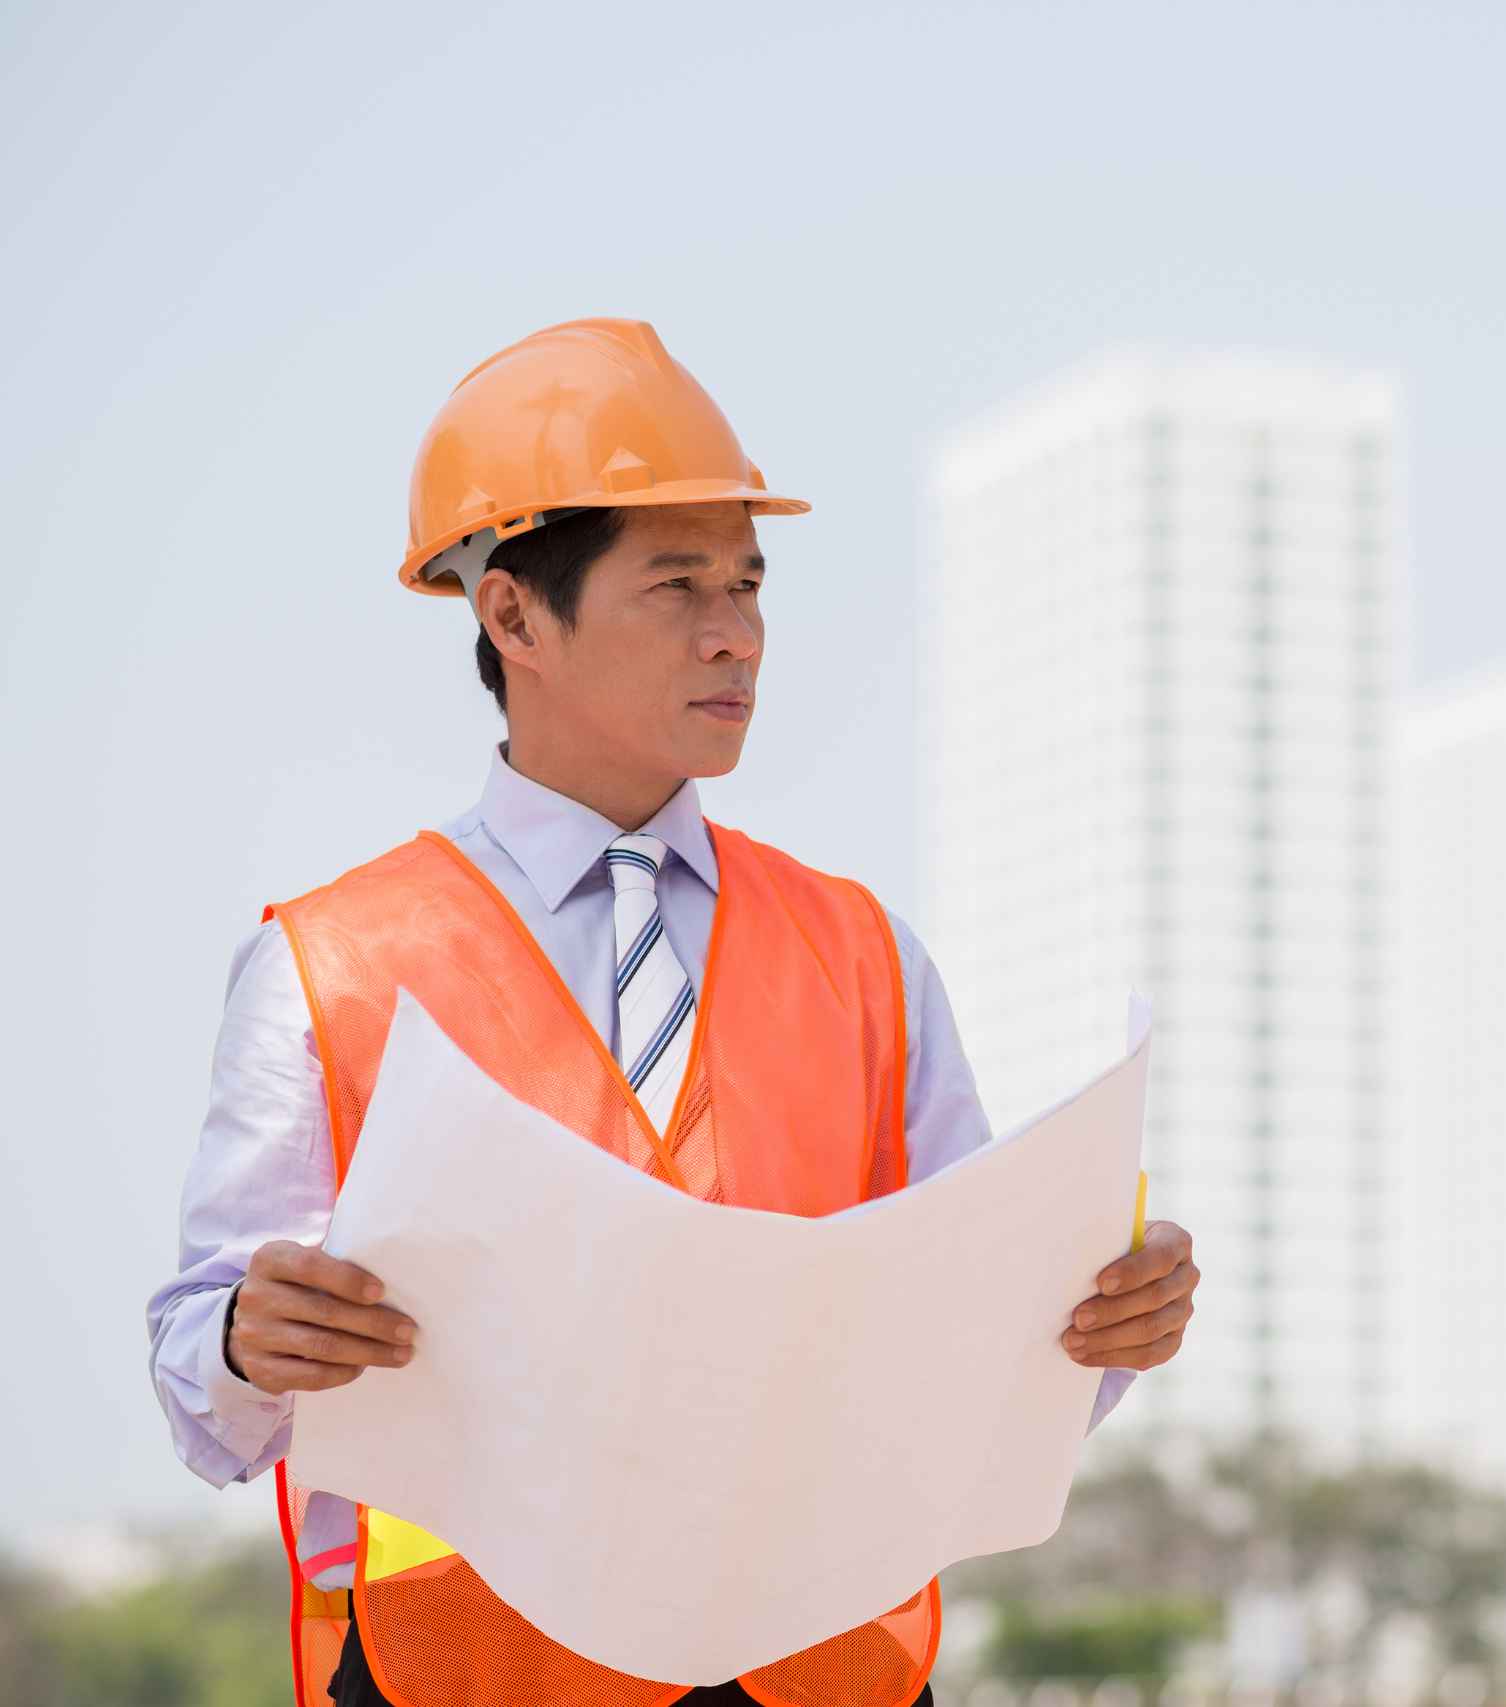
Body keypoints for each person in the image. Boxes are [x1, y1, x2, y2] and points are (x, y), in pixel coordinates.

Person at [143, 317, 1202, 1707]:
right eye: (679, 586)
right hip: (470, 1678)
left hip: (826, 1676)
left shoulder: (865, 952)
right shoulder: (331, 964)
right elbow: (203, 1387)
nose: (736, 635)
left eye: (750, 585)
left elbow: (983, 1343)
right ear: (513, 614)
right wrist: (240, 1340)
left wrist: (1098, 1322)